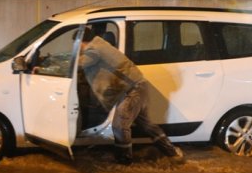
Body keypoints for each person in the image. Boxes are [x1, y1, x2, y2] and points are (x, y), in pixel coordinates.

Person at [77, 28, 183, 165]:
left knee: (119, 125)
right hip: (136, 86)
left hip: (132, 90)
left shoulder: (94, 50)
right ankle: (173, 154)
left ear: (81, 42)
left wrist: (50, 66)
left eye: (77, 45)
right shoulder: (100, 45)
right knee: (146, 125)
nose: (78, 49)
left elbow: (78, 64)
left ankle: (124, 161)